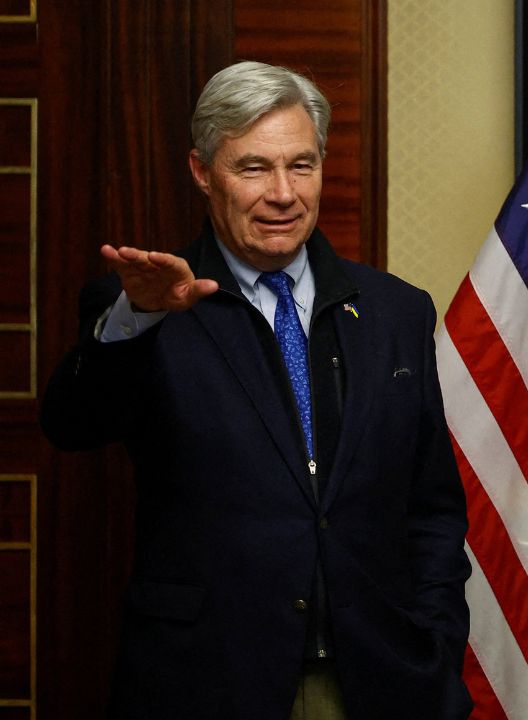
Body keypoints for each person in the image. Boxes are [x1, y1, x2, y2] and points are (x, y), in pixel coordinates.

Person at [41, 61, 471, 720]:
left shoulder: (395, 312)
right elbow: (72, 425)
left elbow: (432, 507)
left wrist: (436, 643)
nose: (282, 193)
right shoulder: (147, 306)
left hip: (379, 680)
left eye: (302, 165)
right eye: (253, 169)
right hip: (208, 682)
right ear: (201, 170)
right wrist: (137, 321)